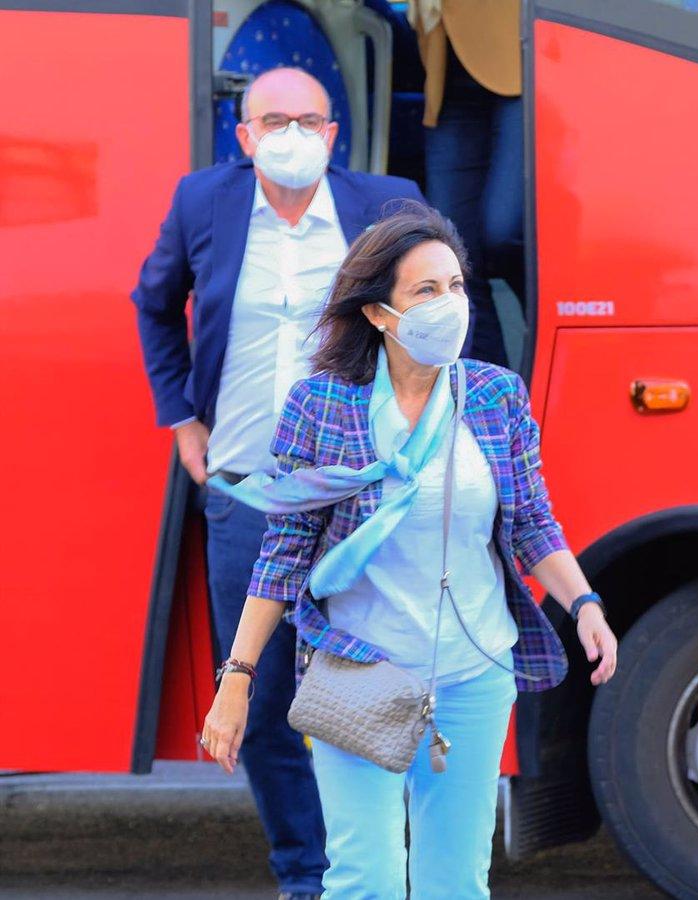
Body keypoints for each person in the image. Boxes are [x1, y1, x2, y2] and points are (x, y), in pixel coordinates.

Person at [198, 204, 620, 897]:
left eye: (456, 286)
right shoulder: (321, 405)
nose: (450, 305)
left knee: (455, 884)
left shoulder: (495, 396)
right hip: (359, 669)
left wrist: (585, 602)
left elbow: (531, 523)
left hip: (474, 671)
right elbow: (284, 554)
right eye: (426, 291)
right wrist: (237, 678)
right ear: (377, 313)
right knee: (367, 880)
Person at [130, 66, 423, 900]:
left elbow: (440, 303)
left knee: (371, 686)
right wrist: (181, 415)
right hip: (247, 490)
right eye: (274, 119)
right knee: (255, 693)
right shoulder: (204, 203)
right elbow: (153, 301)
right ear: (245, 133)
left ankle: (379, 863)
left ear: (335, 135)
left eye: (310, 119)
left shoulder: (385, 202)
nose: (292, 132)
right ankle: (308, 873)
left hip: (365, 492)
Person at [411, 0, 523, 366]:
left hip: (524, 56)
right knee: (452, 253)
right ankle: (491, 395)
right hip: (449, 67)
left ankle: (572, 326)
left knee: (503, 231)